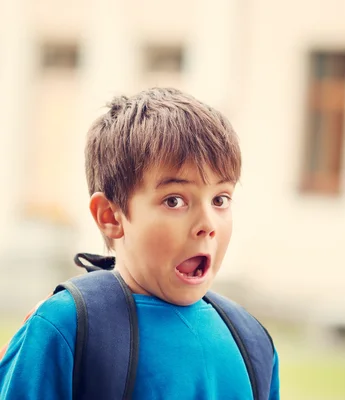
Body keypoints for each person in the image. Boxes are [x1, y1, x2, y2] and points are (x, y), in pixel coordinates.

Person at [0, 87, 280, 399]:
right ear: (111, 216)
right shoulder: (68, 327)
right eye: (174, 200)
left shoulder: (254, 343)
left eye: (220, 199)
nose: (207, 225)